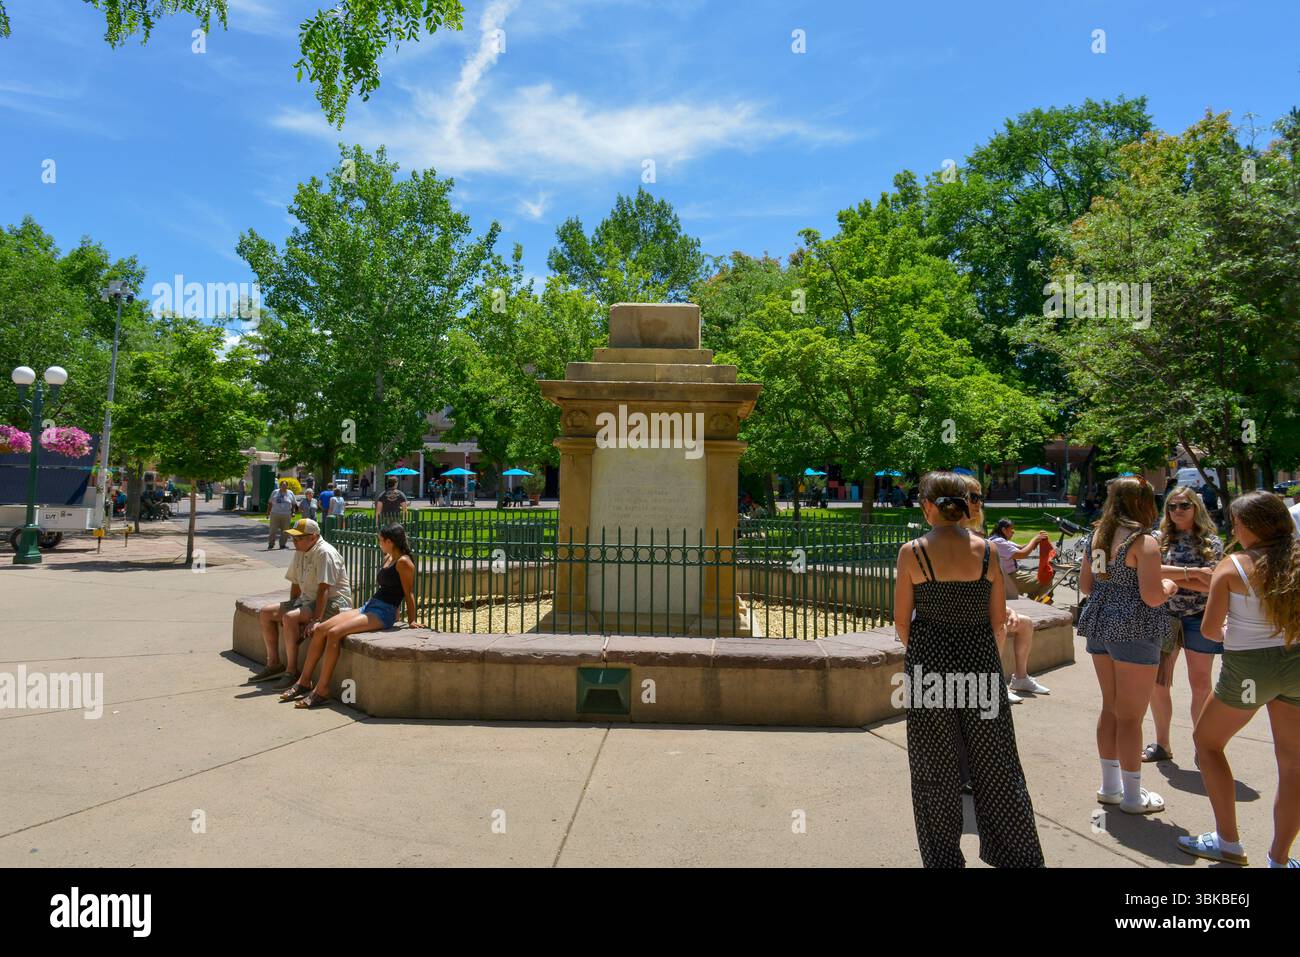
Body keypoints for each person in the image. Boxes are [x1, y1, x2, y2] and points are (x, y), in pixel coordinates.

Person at [893, 470, 1044, 867]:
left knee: (934, 770)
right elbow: (998, 622)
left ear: (928, 506)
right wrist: (986, 662)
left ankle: (943, 860)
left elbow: (902, 622)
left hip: (930, 665)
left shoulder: (913, 552)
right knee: (997, 766)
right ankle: (1018, 858)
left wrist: (927, 652)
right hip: (980, 664)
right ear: (963, 505)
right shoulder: (990, 552)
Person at [1179, 491, 1300, 867]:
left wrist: (1232, 627)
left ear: (1249, 527)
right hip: (1296, 665)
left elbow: (1211, 631)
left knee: (1207, 743)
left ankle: (1228, 842)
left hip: (1249, 670)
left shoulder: (1232, 567)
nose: (1234, 529)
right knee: (1294, 763)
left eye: (1236, 523)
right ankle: (1279, 859)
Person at [1077, 476, 1179, 815]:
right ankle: (1133, 796)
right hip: (1135, 628)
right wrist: (1168, 585)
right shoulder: (1143, 542)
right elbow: (1151, 597)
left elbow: (1087, 586)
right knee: (1132, 717)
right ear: (1143, 502)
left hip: (1100, 624)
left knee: (1111, 707)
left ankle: (1110, 787)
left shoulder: (1097, 537)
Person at [281, 523, 418, 708]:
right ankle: (304, 681)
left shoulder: (403, 562)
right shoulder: (389, 557)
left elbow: (408, 592)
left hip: (384, 612)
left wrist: (412, 620)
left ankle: (322, 689)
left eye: (380, 540)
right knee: (321, 628)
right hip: (371, 605)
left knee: (335, 633)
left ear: (389, 541)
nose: (379, 543)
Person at [1143, 486, 1223, 764]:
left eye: (1183, 506)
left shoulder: (1210, 541)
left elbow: (1213, 582)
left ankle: (1204, 745)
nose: (1177, 510)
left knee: (1201, 683)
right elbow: (1149, 572)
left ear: (1196, 508)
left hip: (1200, 618)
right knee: (1159, 682)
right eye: (1172, 506)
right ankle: (1162, 744)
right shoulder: (1158, 539)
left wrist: (1175, 579)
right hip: (1165, 616)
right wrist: (1193, 573)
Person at [959, 475, 1050, 703]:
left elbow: (986, 584)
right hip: (960, 617)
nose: (979, 502)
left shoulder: (978, 539)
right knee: (998, 628)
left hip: (977, 609)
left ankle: (1020, 678)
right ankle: (992, 685)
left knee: (1025, 623)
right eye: (973, 497)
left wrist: (1003, 609)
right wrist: (998, 612)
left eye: (980, 496)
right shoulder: (962, 541)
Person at [248, 518, 353, 686]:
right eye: (293, 538)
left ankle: (291, 671)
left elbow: (324, 589)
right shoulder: (301, 550)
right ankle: (274, 664)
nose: (294, 542)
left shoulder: (325, 553)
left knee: (290, 618)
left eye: (298, 538)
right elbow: (295, 582)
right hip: (308, 600)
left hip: (333, 602)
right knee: (266, 613)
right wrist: (292, 605)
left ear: (313, 537)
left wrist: (315, 620)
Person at [988, 519, 1052, 599]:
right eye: (1011, 529)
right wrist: (1034, 540)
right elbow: (1022, 554)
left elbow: (1021, 547)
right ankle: (1042, 602)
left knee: (1038, 581)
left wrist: (1036, 541)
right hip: (1009, 578)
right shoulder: (998, 542)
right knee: (1046, 579)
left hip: (1009, 575)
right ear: (1004, 530)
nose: (1013, 531)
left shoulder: (998, 539)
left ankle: (1034, 601)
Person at [266, 480, 297, 550]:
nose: (284, 487)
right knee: (272, 530)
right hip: (275, 514)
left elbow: (293, 504)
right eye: (283, 485)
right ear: (280, 486)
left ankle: (282, 544)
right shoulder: (275, 492)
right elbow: (270, 503)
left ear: (287, 486)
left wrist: (293, 512)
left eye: (285, 485)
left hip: (286, 514)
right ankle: (271, 544)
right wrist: (268, 512)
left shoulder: (290, 493)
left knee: (285, 530)